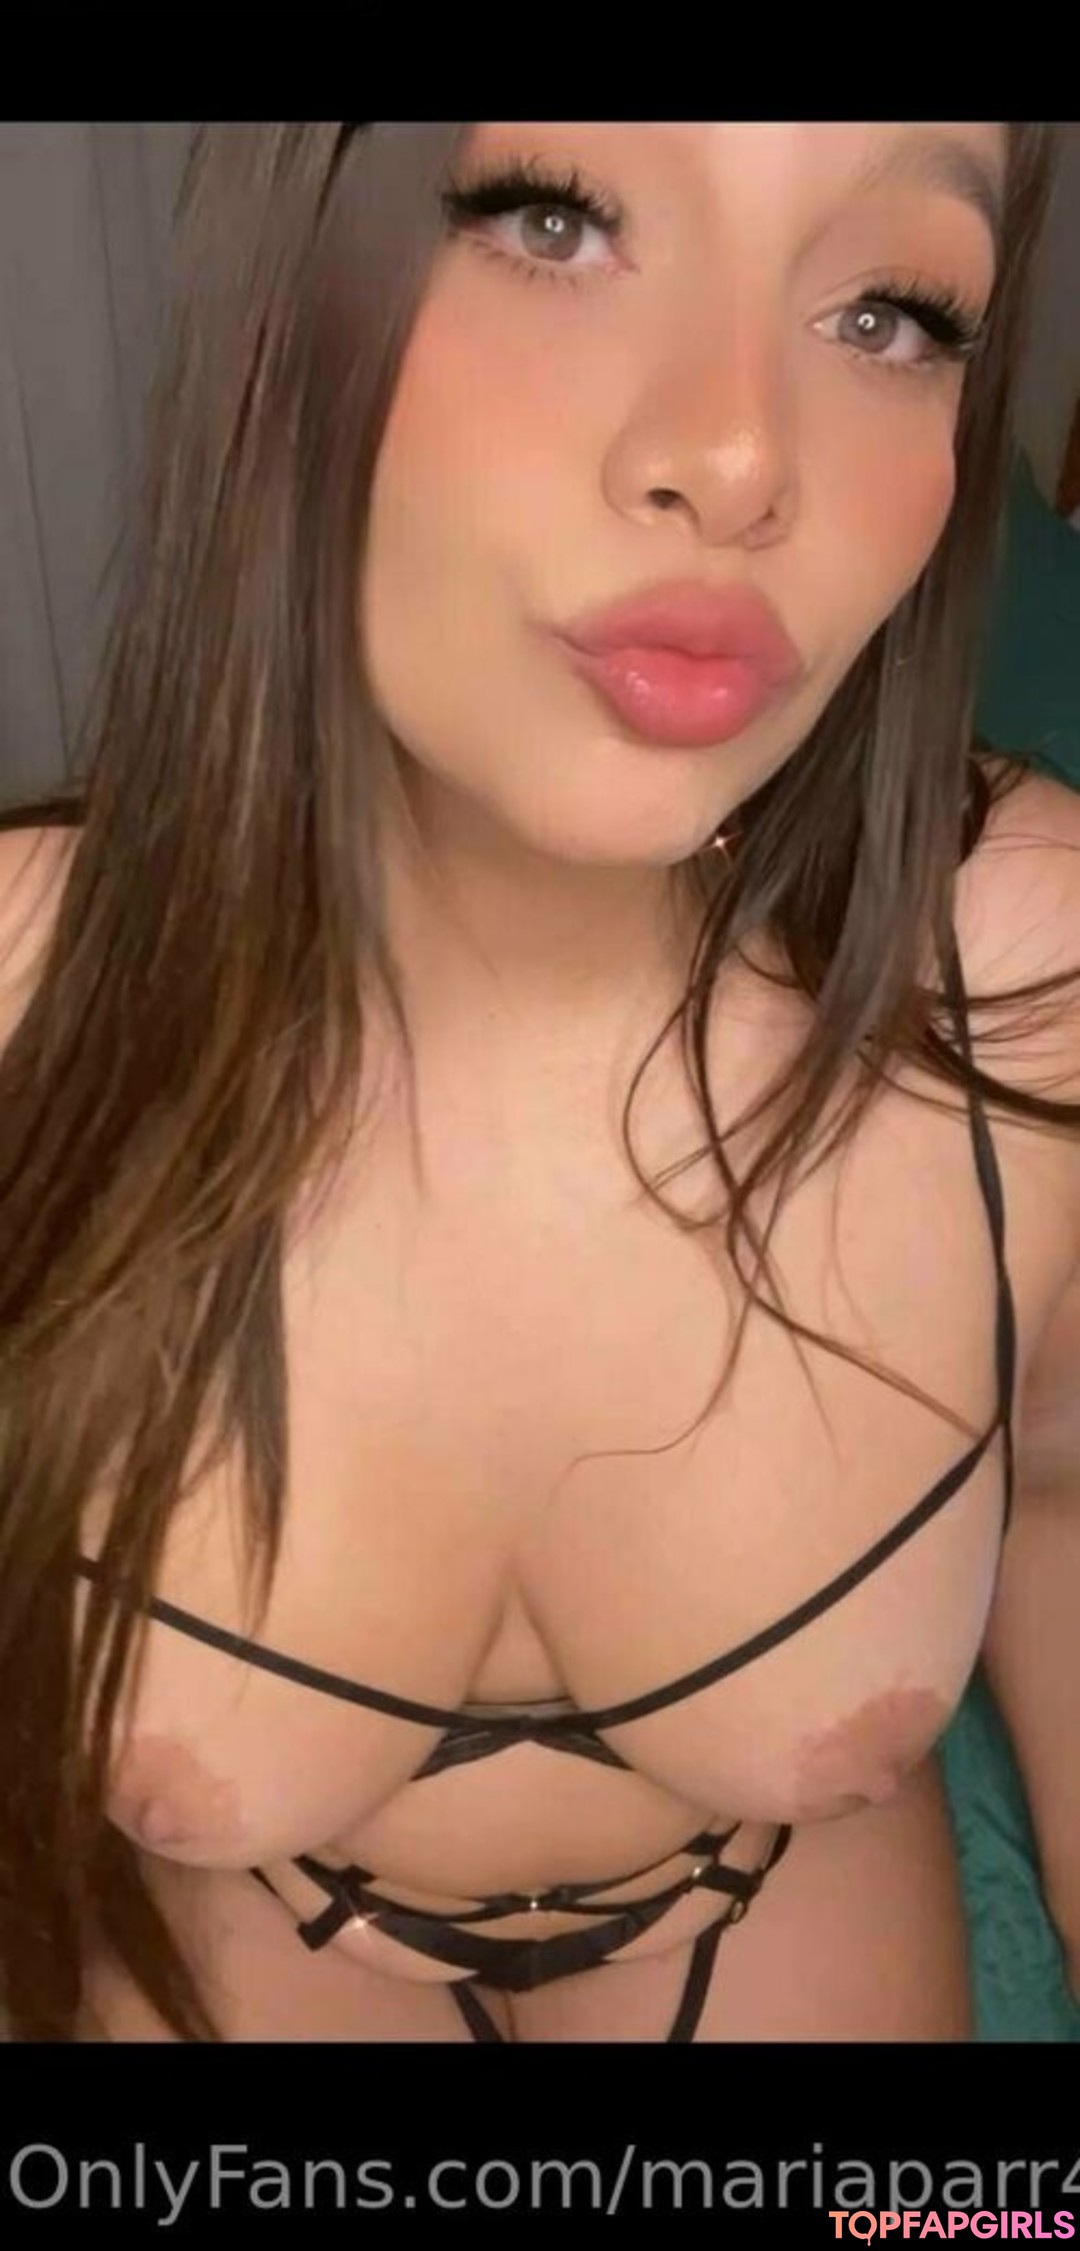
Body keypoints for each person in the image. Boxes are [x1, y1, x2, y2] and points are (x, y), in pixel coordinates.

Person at [0, 121, 1077, 2046]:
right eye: (555, 218)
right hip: (243, 1936)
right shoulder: (22, 1002)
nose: (741, 456)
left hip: (771, 1900)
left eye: (892, 311)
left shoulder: (1031, 971)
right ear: (292, 282)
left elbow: (1067, 1474)